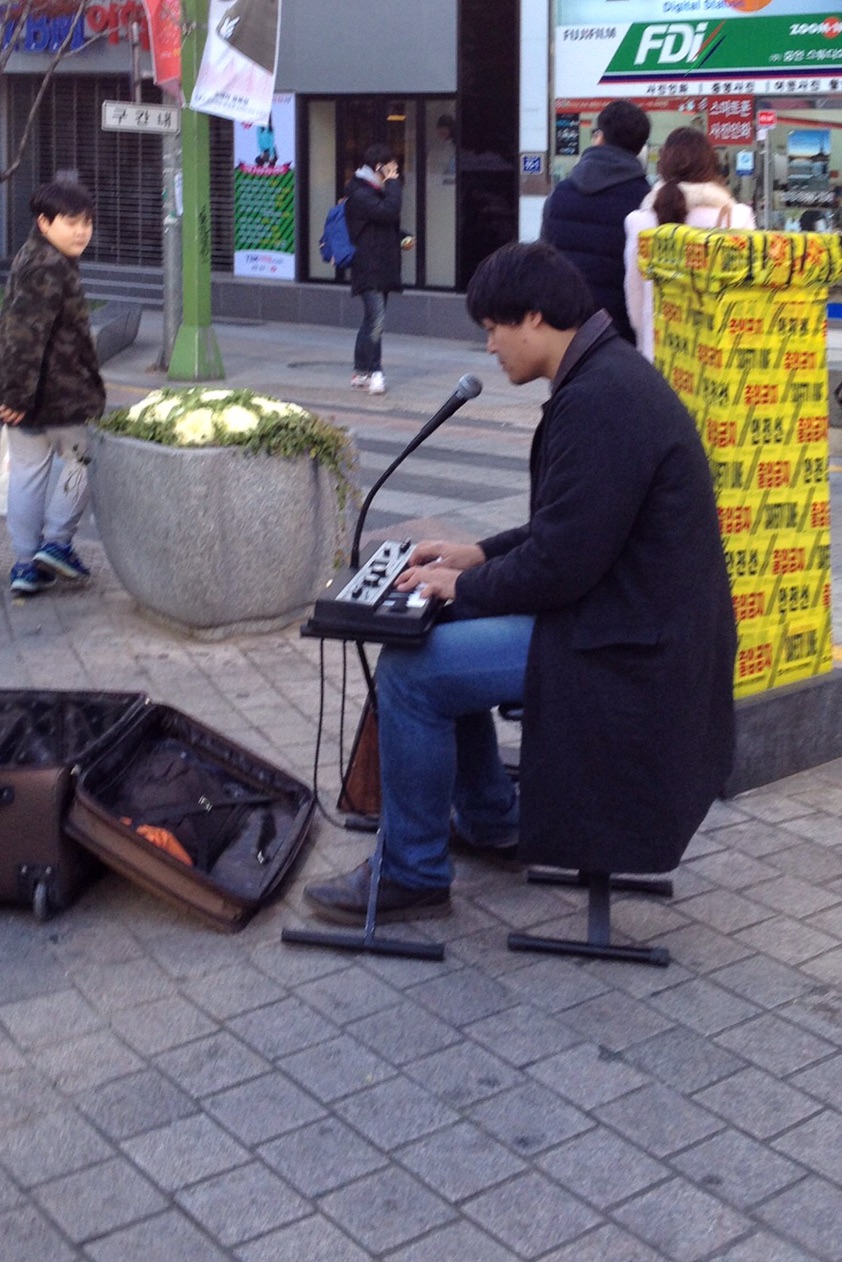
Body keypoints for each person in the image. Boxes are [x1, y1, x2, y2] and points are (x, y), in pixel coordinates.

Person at [304, 240, 736, 926]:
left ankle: (411, 874)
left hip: (628, 644)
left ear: (533, 318)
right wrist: (474, 555)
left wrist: (460, 589)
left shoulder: (601, 399)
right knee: (435, 636)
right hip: (628, 615)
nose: (489, 348)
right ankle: (489, 819)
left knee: (411, 676)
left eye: (493, 329)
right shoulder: (604, 375)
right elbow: (568, 529)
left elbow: (561, 564)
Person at [0, 173, 105, 597]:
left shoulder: (31, 258)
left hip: (26, 395)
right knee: (88, 460)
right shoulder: (49, 268)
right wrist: (16, 396)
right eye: (71, 222)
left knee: (26, 473)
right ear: (44, 222)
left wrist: (10, 394)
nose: (81, 232)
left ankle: (25, 565)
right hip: (61, 395)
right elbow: (24, 334)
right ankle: (56, 542)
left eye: (87, 223)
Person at [624, 125, 756, 362]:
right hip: (719, 358)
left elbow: (635, 302)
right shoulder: (737, 217)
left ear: (663, 164)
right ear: (710, 164)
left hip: (660, 354)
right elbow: (749, 292)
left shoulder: (641, 222)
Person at [540, 100, 651, 343]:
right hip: (622, 338)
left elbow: (544, 264)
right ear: (640, 148)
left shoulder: (560, 195)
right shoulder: (647, 202)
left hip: (566, 336)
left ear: (599, 138)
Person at [345, 141, 403, 395]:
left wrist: (403, 237)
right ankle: (376, 372)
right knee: (377, 319)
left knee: (371, 320)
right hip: (368, 266)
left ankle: (360, 371)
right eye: (392, 166)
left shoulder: (374, 190)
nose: (396, 170)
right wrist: (393, 184)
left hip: (382, 264)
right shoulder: (360, 192)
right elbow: (388, 212)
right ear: (379, 167)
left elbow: (382, 226)